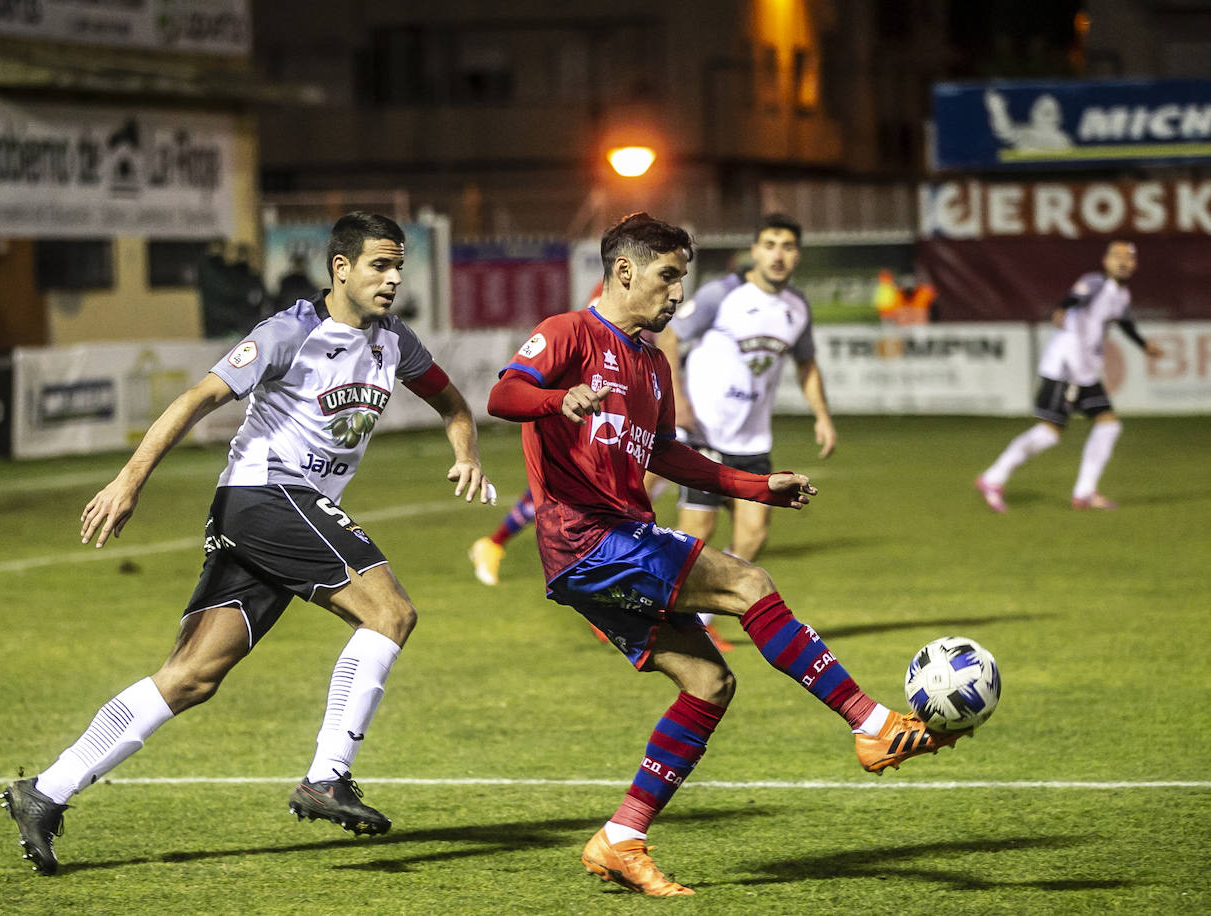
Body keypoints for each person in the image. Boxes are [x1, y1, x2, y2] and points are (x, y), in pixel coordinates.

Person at [0, 212, 496, 875]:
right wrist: (128, 480)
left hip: (275, 512)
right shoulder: (289, 332)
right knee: (391, 613)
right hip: (264, 496)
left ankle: (45, 791)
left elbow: (456, 406)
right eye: (380, 265)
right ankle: (327, 775)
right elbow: (197, 399)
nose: (393, 278)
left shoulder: (394, 342)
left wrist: (466, 454)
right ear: (340, 268)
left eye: (399, 266)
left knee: (193, 676)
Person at [486, 212, 964, 898]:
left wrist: (754, 487)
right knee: (747, 583)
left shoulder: (650, 363)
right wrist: (558, 398)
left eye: (683, 277)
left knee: (710, 684)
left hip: (609, 545)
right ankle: (872, 723)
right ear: (625, 271)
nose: (678, 293)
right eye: (667, 276)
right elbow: (505, 393)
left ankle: (620, 837)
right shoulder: (569, 333)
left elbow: (667, 456)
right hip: (587, 538)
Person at [660, 212, 835, 566]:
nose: (778, 255)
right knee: (697, 532)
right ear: (755, 251)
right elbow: (670, 336)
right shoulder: (722, 293)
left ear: (797, 254)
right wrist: (677, 401)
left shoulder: (797, 308)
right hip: (704, 433)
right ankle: (658, 606)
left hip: (752, 441)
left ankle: (702, 615)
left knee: (753, 535)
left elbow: (806, 364)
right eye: (769, 246)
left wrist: (822, 417)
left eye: (787, 247)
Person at [975, 240, 1162, 512]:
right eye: (1117, 256)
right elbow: (1075, 297)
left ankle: (1085, 492)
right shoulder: (1095, 283)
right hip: (1065, 367)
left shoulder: (1121, 295)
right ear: (1105, 261)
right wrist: (1062, 309)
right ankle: (993, 478)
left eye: (1128, 258)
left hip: (1085, 372)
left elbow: (1123, 322)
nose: (1122, 261)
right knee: (1049, 433)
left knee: (1108, 425)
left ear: (1135, 264)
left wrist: (1144, 345)